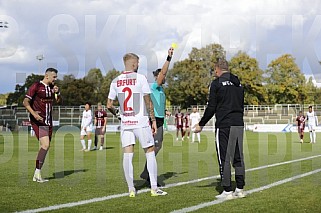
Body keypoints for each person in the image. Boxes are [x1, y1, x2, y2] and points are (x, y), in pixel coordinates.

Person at [107, 52, 167, 197]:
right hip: (141, 122)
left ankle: (131, 189)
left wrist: (119, 115)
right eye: (138, 63)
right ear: (134, 64)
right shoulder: (140, 78)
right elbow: (148, 102)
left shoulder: (115, 81)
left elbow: (109, 105)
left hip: (126, 123)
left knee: (128, 155)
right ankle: (154, 188)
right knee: (150, 151)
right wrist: (153, 121)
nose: (139, 65)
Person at [194, 58, 245, 199]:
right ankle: (240, 188)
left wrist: (201, 123)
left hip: (224, 124)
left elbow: (211, 107)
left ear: (217, 69)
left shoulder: (216, 84)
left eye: (214, 70)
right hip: (238, 123)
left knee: (224, 157)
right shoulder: (238, 83)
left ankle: (227, 190)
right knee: (238, 157)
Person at [140, 47, 174, 186]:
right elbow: (163, 72)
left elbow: (157, 103)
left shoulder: (160, 90)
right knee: (153, 147)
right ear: (157, 77)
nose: (164, 77)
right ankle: (149, 176)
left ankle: (147, 172)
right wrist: (169, 57)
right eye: (162, 76)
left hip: (160, 119)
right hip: (152, 120)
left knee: (157, 146)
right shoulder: (154, 86)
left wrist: (165, 110)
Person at [23, 67, 61, 183]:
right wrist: (34, 114)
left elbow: (59, 101)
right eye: (54, 77)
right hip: (39, 121)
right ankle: (37, 173)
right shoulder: (36, 86)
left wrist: (57, 93)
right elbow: (25, 101)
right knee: (45, 145)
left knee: (44, 147)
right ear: (47, 76)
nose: (55, 79)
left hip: (48, 121)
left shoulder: (51, 88)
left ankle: (37, 174)